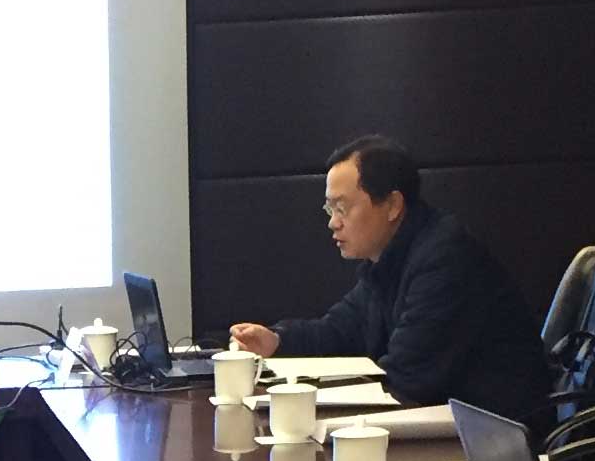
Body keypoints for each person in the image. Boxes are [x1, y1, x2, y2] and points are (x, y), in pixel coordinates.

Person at [227, 135, 551, 435]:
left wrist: (307, 400)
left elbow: (406, 380)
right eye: (329, 209)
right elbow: (339, 330)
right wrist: (277, 341)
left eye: (342, 208)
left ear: (393, 205)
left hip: (497, 442)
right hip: (449, 427)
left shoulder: (445, 259)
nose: (333, 222)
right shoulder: (388, 260)